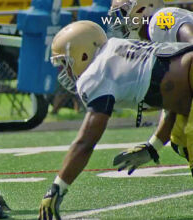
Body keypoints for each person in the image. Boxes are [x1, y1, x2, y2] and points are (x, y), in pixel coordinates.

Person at [38, 20, 193, 220]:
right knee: (180, 140)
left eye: (65, 64)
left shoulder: (95, 75)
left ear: (82, 55)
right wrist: (153, 146)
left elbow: (86, 142)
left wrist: (57, 188)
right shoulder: (117, 47)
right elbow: (175, 99)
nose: (65, 72)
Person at [108, 0, 193, 174]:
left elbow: (190, 38)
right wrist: (153, 147)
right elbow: (172, 107)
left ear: (142, 7)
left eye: (123, 13)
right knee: (178, 137)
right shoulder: (156, 39)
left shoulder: (160, 19)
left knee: (186, 132)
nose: (121, 21)